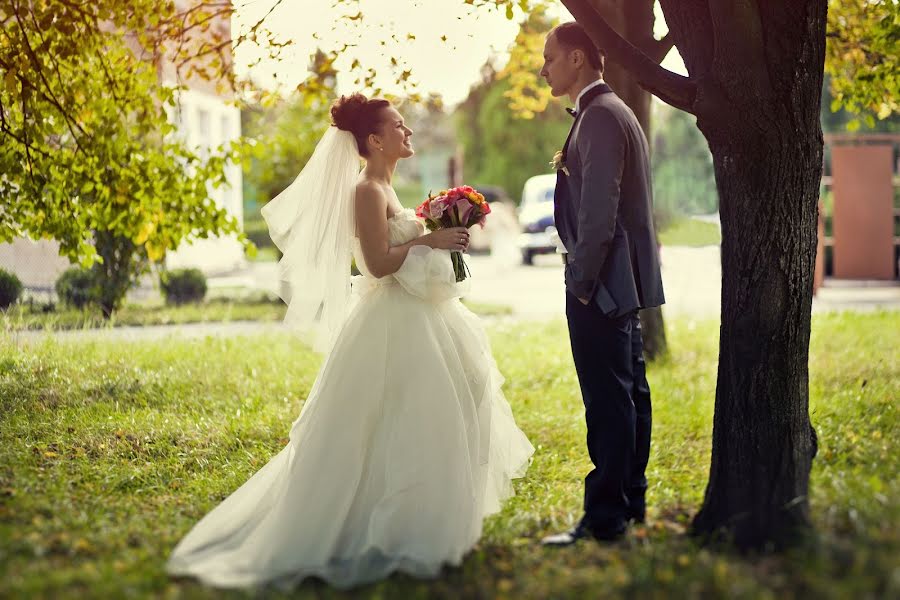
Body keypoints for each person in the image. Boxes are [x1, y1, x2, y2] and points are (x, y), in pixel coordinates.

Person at [166, 93, 533, 589]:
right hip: (389, 322)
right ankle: (375, 528)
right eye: (398, 127)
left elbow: (399, 252)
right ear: (375, 140)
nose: (407, 133)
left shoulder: (387, 186)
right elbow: (378, 264)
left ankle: (420, 525)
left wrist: (437, 236)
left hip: (417, 315)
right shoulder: (366, 190)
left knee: (429, 418)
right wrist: (432, 240)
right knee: (392, 422)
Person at [538, 22, 665, 546]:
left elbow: (598, 216)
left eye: (549, 57)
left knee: (609, 401)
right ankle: (629, 503)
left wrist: (581, 282)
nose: (543, 68)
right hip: (621, 283)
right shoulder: (613, 112)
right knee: (629, 394)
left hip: (603, 285)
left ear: (577, 59)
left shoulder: (600, 117)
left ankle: (606, 517)